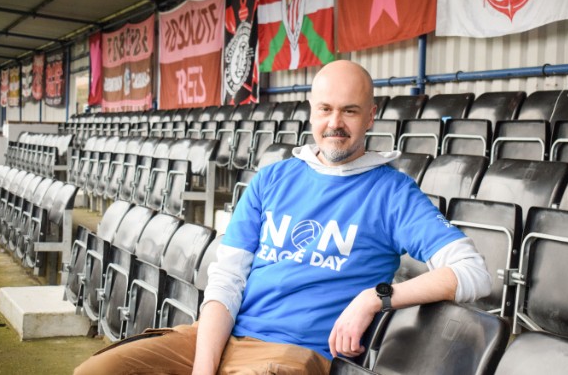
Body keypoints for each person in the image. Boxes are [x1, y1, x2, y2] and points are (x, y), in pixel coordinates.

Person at [75, 60, 491, 375]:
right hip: (219, 338)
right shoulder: (273, 178)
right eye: (325, 109)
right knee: (94, 372)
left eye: (349, 111)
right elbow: (227, 281)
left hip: (291, 355)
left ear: (370, 115)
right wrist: (205, 367)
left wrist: (375, 298)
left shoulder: (392, 193)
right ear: (311, 111)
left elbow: (473, 273)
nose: (334, 123)